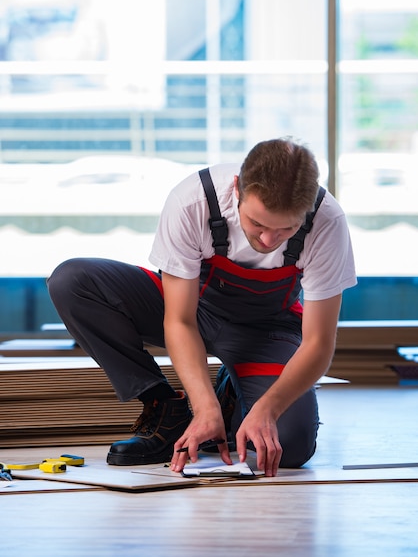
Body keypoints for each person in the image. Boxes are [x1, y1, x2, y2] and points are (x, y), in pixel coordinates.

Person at [47, 137, 356, 477]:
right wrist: (201, 407)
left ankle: (231, 399)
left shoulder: (328, 221)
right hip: (192, 310)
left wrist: (268, 408)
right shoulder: (194, 200)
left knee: (290, 448)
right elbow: (179, 320)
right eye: (259, 224)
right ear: (237, 188)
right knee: (73, 281)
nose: (269, 241)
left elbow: (318, 343)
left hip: (266, 330)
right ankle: (167, 406)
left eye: (287, 228)